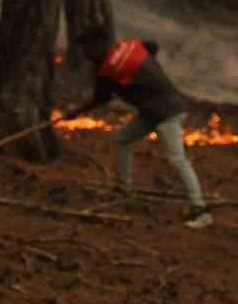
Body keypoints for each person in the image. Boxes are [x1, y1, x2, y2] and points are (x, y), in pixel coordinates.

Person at [62, 27, 213, 229]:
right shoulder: (132, 46)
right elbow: (153, 47)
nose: (85, 54)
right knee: (120, 139)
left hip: (168, 114)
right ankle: (124, 189)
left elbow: (101, 99)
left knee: (177, 159)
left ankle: (200, 210)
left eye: (87, 48)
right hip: (155, 110)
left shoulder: (108, 70)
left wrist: (74, 113)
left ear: (99, 45)